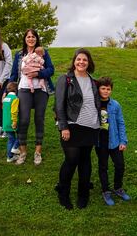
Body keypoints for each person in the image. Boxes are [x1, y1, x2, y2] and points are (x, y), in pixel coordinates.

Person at [54, 48, 100, 210]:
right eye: (79, 59)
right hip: (72, 126)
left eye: (85, 60)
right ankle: (63, 193)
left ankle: (83, 195)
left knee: (85, 161)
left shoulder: (93, 81)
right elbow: (58, 105)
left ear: (89, 63)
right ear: (74, 61)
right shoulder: (65, 79)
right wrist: (64, 126)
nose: (81, 62)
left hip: (92, 126)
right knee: (72, 160)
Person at [9, 29, 54, 165]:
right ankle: (23, 153)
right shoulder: (19, 55)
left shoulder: (43, 53)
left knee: (39, 119)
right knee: (23, 120)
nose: (31, 39)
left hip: (41, 89)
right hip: (24, 89)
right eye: (28, 36)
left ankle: (37, 152)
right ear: (25, 39)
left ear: (36, 39)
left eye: (33, 37)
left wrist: (38, 74)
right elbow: (13, 75)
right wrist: (9, 89)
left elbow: (51, 70)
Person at [94, 77, 130, 206]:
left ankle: (118, 187)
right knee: (103, 166)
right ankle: (105, 190)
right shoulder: (94, 104)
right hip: (100, 142)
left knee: (120, 165)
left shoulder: (115, 105)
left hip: (114, 141)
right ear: (98, 89)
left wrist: (123, 141)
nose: (105, 91)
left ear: (111, 90)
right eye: (103, 88)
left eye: (108, 89)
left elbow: (121, 123)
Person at [2, 82, 21, 163]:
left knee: (10, 139)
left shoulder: (5, 99)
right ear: (16, 90)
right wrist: (14, 121)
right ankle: (15, 148)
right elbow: (14, 111)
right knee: (20, 135)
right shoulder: (15, 99)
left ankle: (9, 157)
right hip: (12, 122)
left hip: (5, 123)